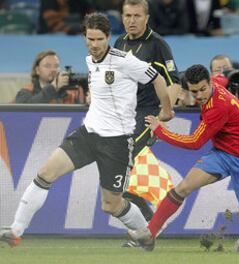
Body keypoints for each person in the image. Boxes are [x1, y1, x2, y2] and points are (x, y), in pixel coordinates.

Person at [0, 12, 173, 248]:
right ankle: (16, 230)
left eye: (99, 39)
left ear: (108, 37)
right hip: (88, 134)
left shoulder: (124, 60)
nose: (94, 45)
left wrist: (167, 110)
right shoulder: (90, 61)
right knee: (45, 173)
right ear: (84, 38)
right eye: (90, 39)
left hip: (117, 142)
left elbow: (158, 79)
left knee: (111, 205)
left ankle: (145, 233)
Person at [128, 64, 239, 252]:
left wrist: (160, 130)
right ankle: (150, 234)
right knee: (183, 187)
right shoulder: (215, 82)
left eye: (203, 89)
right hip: (222, 154)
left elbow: (194, 142)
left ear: (209, 83)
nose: (199, 95)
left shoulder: (218, 107)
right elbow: (223, 78)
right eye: (194, 91)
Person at [114, 0, 181, 244]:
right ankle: (147, 227)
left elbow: (174, 81)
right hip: (124, 114)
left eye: (136, 16)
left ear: (147, 17)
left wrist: (166, 111)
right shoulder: (119, 43)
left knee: (122, 168)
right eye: (127, 15)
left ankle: (146, 229)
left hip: (148, 114)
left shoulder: (158, 45)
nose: (131, 20)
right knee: (120, 176)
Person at [15, 50, 86, 104]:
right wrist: (54, 86)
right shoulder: (26, 92)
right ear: (37, 70)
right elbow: (24, 113)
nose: (53, 70)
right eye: (47, 66)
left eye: (56, 66)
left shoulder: (71, 93)